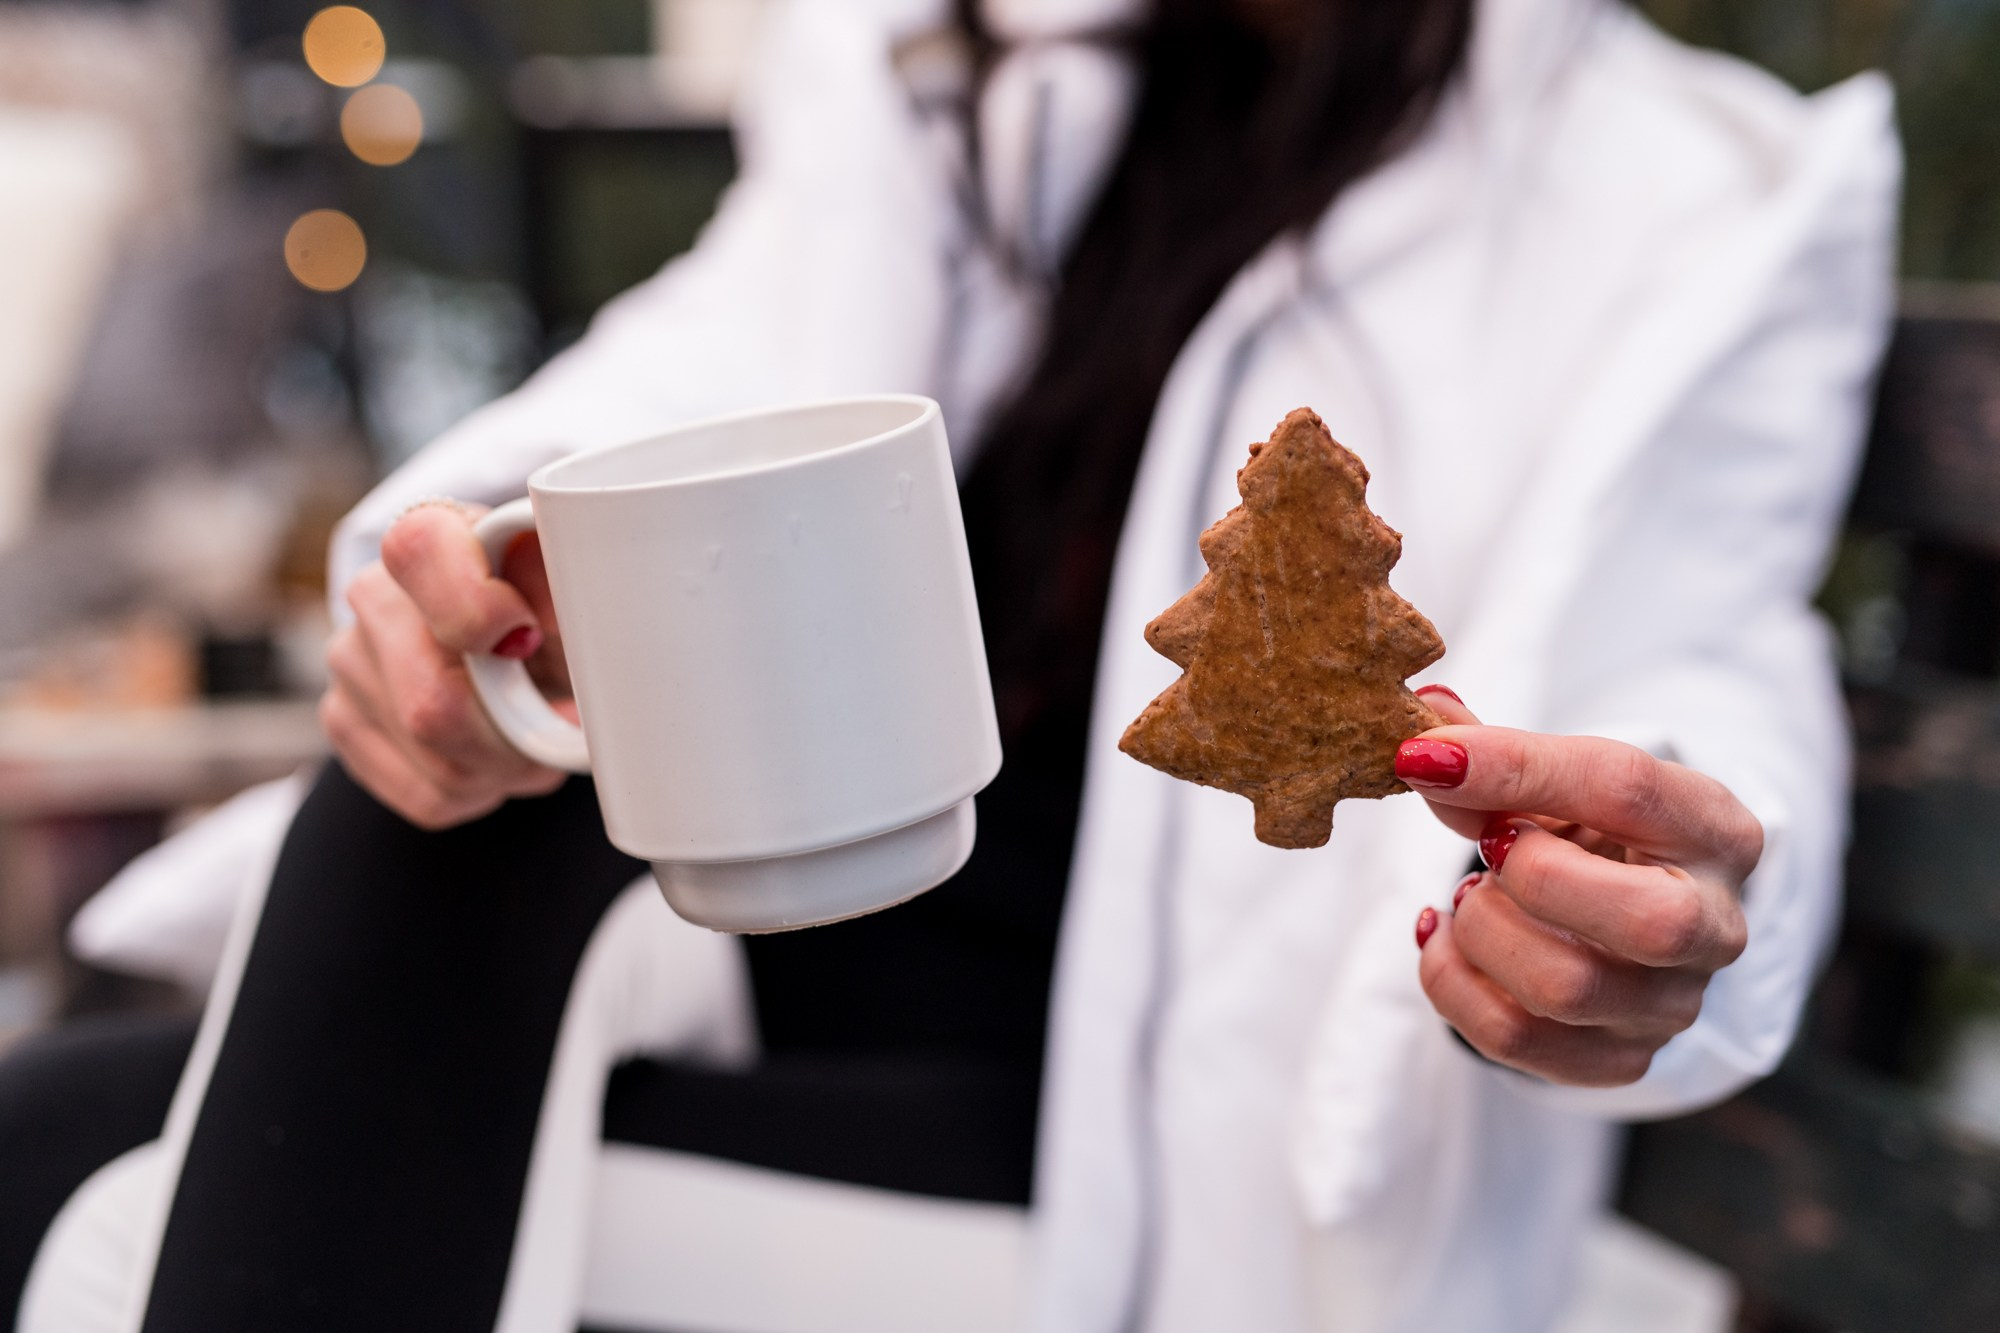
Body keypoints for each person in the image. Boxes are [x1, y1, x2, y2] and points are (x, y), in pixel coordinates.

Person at [0, 0, 1899, 1327]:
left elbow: (1706, 669)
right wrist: (480, 562)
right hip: (761, 979)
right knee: (108, 1091)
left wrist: (1670, 896)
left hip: (1125, 1170)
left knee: (79, 1166)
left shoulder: (1695, 201)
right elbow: (707, 355)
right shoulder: (982, 71)